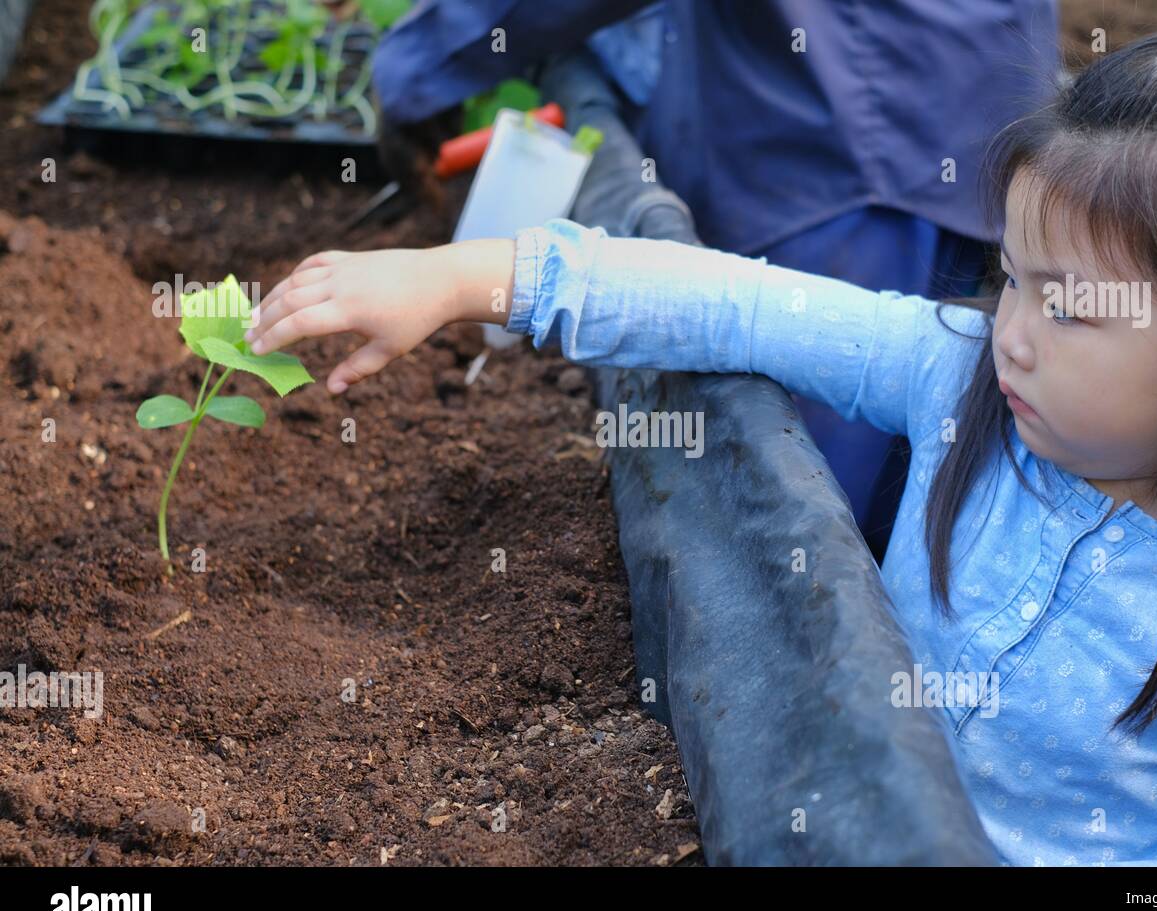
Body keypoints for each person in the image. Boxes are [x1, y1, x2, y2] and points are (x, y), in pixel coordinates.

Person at [246, 22, 1157, 865]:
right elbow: (736, 304)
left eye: (1069, 305)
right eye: (1011, 278)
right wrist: (458, 278)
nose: (1011, 332)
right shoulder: (954, 374)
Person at [372, 0, 1060, 560]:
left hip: (844, 132)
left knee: (814, 510)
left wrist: (423, 63)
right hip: (965, 99)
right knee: (918, 467)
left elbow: (729, 312)